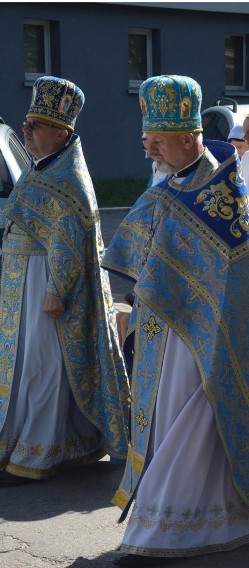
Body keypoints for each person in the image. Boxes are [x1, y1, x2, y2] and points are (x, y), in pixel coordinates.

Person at [103, 75, 249, 565]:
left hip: (206, 339)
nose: (149, 148)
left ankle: (163, 529)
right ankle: (231, 516)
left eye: (158, 139)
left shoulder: (223, 190)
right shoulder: (168, 185)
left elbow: (235, 284)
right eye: (146, 139)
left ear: (188, 137)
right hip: (163, 333)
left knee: (189, 425)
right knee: (178, 427)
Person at [0, 76, 129, 486]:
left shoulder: (70, 179)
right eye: (26, 124)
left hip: (47, 290)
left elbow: (71, 243)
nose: (27, 132)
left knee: (43, 368)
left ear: (62, 133)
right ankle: (35, 440)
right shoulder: (40, 169)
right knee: (23, 367)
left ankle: (38, 452)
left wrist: (56, 290)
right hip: (21, 287)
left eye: (35, 126)